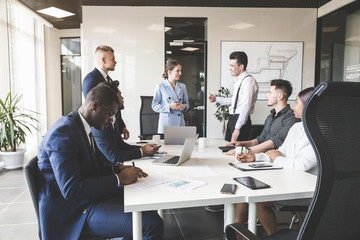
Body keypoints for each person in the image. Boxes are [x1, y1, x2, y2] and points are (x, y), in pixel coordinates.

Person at [37, 83, 163, 239]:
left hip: (87, 200)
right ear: (94, 105)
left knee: (141, 200)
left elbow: (91, 167)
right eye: (110, 114)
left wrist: (117, 168)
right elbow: (71, 189)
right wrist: (120, 178)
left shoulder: (81, 126)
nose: (111, 120)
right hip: (74, 212)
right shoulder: (63, 132)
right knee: (151, 223)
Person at [235, 87, 317, 236]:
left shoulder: (319, 133)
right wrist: (256, 157)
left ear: (308, 106)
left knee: (260, 203)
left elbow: (300, 165)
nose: (294, 107)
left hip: (304, 191)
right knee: (244, 193)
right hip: (288, 180)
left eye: (297, 103)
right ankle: (237, 236)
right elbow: (280, 152)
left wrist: (278, 158)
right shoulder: (296, 127)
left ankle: (273, 236)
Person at [92, 80, 160, 162]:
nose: (122, 98)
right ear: (113, 98)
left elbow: (121, 145)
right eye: (120, 95)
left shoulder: (114, 118)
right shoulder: (101, 124)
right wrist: (142, 152)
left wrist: (145, 149)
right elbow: (114, 156)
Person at [226, 79, 299, 155]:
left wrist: (245, 150)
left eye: (270, 92)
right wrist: (242, 144)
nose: (266, 95)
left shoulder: (292, 118)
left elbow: (274, 142)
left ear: (280, 96)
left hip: (274, 160)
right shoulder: (270, 117)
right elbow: (260, 140)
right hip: (260, 156)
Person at [82, 45, 130, 140]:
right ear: (103, 60)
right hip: (102, 132)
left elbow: (115, 106)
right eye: (113, 59)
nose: (115, 62)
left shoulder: (109, 79)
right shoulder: (91, 79)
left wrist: (122, 126)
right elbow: (92, 109)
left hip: (112, 129)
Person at [209, 51, 259, 142]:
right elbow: (235, 101)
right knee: (228, 149)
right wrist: (217, 99)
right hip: (233, 119)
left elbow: (246, 106)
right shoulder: (239, 81)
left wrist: (237, 128)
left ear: (241, 67)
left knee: (236, 151)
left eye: (232, 66)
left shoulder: (248, 81)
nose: (230, 68)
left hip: (240, 120)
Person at [152, 59, 189, 134]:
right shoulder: (160, 86)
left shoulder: (182, 87)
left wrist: (184, 106)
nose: (180, 73)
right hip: (166, 125)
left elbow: (187, 103)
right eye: (177, 71)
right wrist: (169, 106)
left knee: (181, 145)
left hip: (180, 124)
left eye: (180, 70)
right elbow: (154, 106)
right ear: (169, 72)